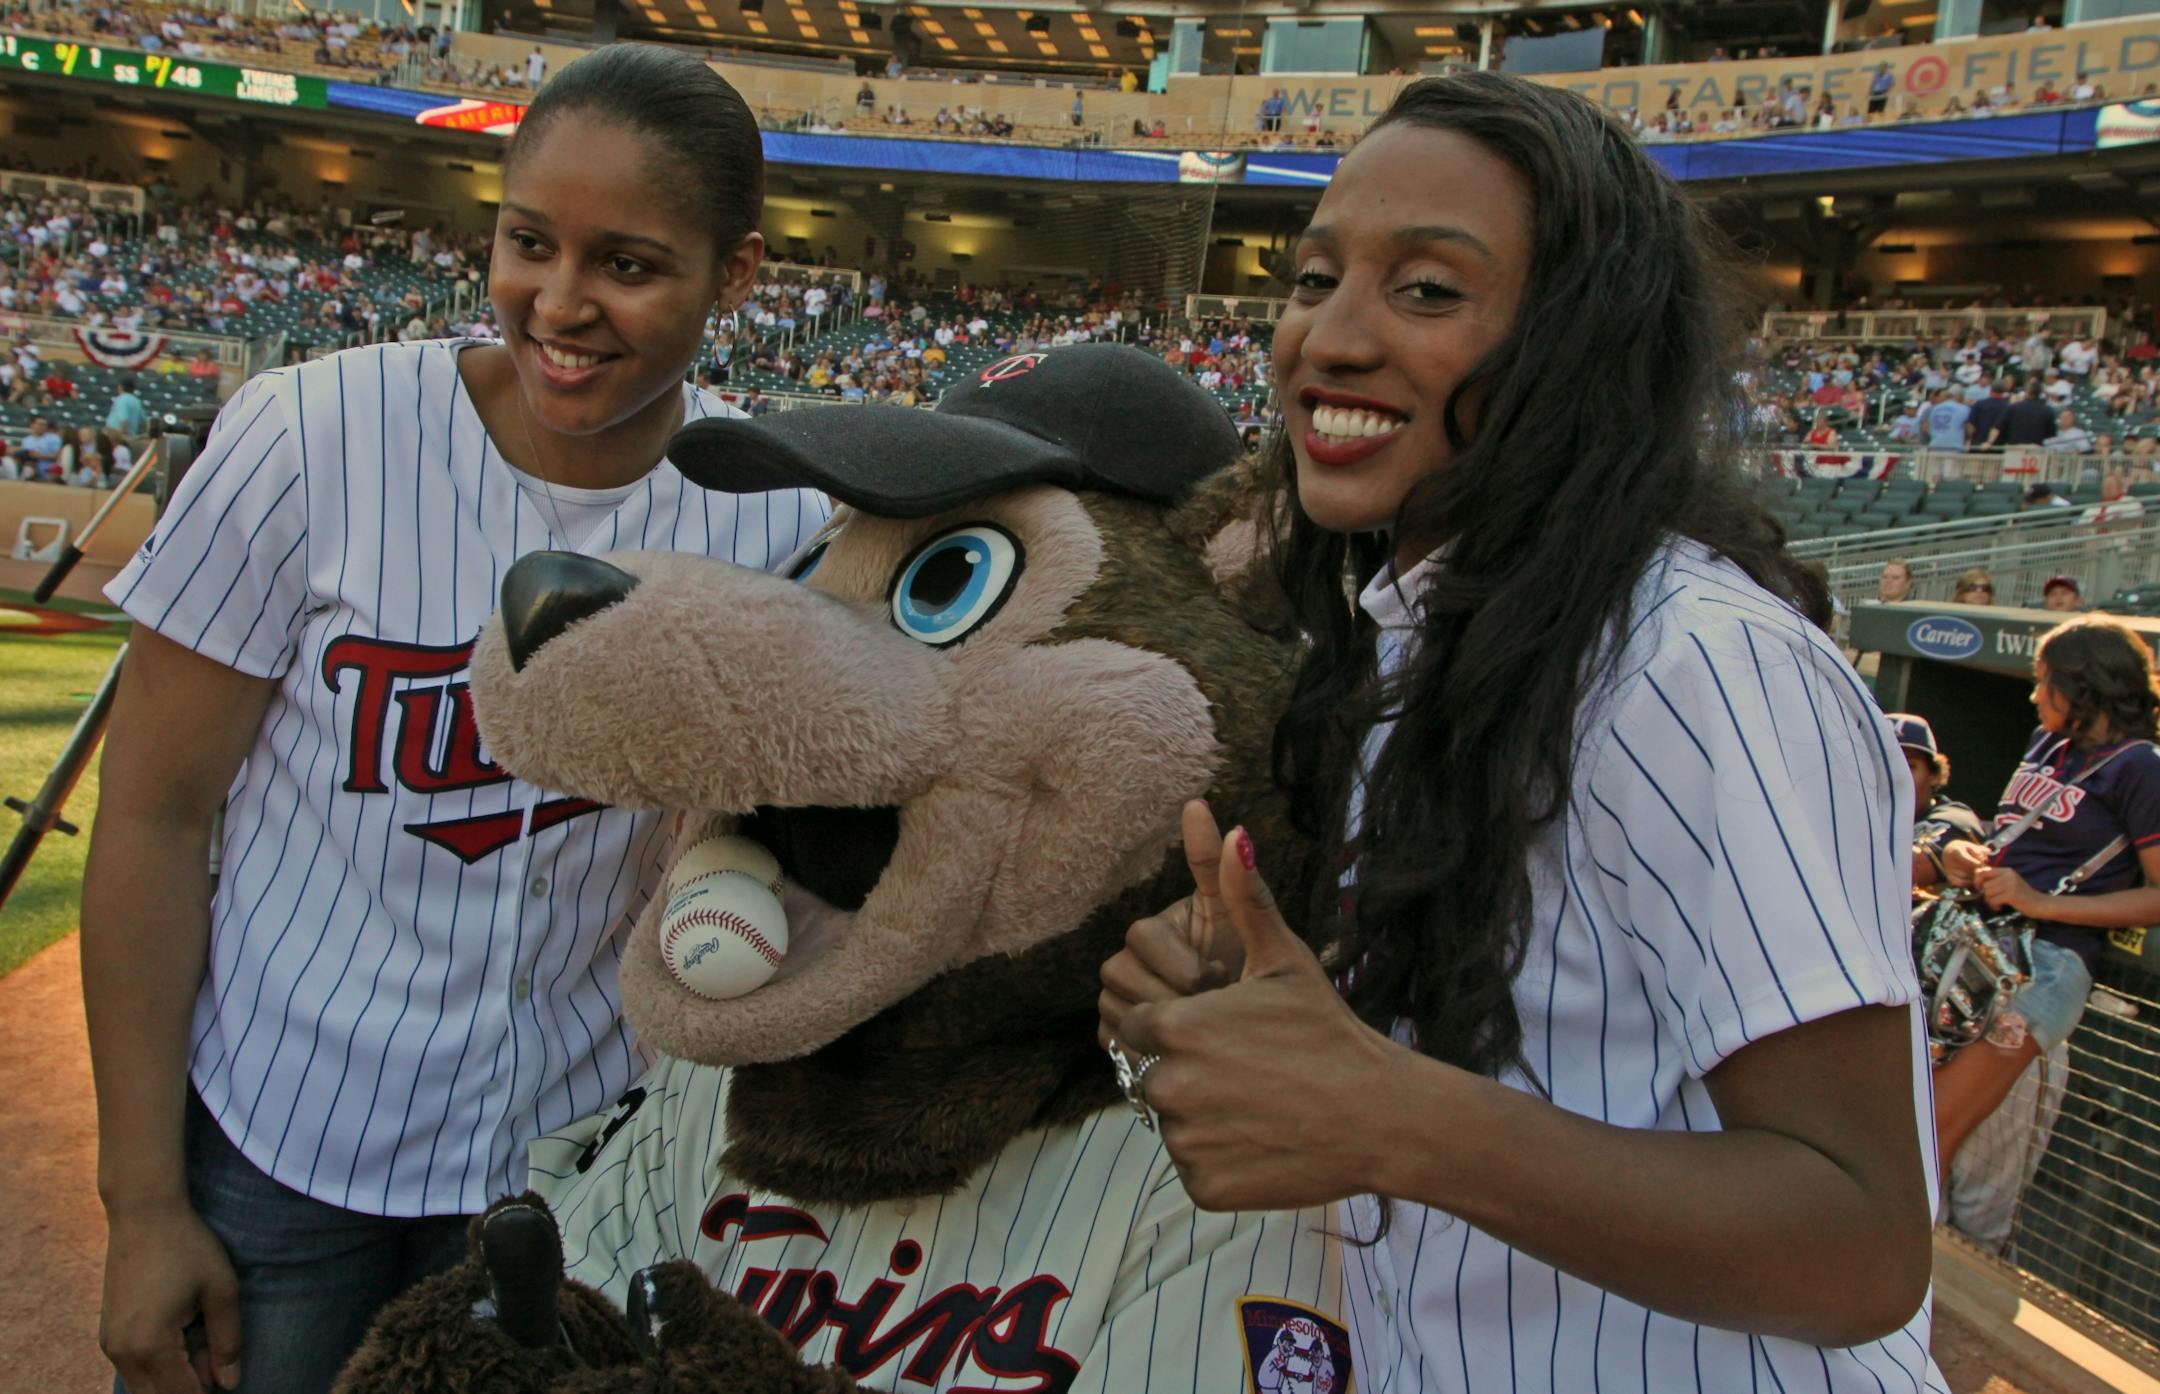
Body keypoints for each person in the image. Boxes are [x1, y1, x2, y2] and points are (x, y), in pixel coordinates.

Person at [1097, 73, 1940, 1392]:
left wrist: (1385, 1109)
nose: (1330, 337)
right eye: (1316, 278)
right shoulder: (1421, 637)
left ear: (1578, 344)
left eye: (1428, 290)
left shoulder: (1697, 662)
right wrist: (1259, 1020)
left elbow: (1862, 1239)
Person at [83, 45, 829, 1394]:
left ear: (740, 276)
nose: (560, 301)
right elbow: (151, 812)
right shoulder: (311, 432)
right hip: (281, 1142)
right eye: (528, 242)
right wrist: (142, 1203)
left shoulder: (776, 512)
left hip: (575, 1159)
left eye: (629, 264)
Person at [1936, 618, 2160, 1250]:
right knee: (1923, 1133)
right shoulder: (2045, 742)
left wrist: (2042, 902)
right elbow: (2021, 844)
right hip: (1978, 952)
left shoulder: (2141, 767)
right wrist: (1964, 853)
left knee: (1951, 1148)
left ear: (2083, 686)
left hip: (2046, 969)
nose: (2035, 695)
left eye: (2045, 682)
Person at [1896, 713, 1988, 891]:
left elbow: (1906, 870)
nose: (1894, 777)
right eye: (1879, 766)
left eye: (1909, 766)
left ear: (1934, 775)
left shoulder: (1955, 818)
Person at [107, 376, 149, 440]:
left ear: (121, 387)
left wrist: (120, 438)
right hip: (131, 436)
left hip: (117, 436)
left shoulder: (122, 399)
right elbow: (145, 421)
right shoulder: (136, 401)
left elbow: (124, 420)